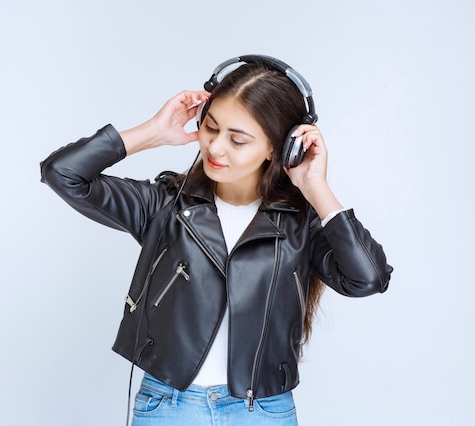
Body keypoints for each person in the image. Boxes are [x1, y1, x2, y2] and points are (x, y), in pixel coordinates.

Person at [40, 55, 392, 426]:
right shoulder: (165, 206)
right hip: (168, 406)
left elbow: (368, 278)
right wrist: (153, 133)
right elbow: (62, 173)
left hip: (263, 412)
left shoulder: (301, 224)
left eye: (237, 139)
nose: (216, 148)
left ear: (279, 148)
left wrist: (316, 188)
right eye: (211, 127)